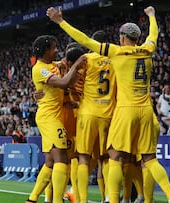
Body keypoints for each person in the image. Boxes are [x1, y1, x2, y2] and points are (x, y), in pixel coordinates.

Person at [47, 5, 170, 203]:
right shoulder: (148, 49)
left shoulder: (114, 52)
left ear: (122, 38)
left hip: (118, 112)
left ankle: (109, 199)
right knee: (149, 159)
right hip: (144, 111)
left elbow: (84, 40)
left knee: (108, 156)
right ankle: (169, 196)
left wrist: (60, 22)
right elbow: (154, 35)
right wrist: (152, 16)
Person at [25, 35, 86, 203]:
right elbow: (64, 82)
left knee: (50, 161)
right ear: (45, 51)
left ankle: (32, 198)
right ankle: (57, 200)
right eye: (53, 48)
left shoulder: (53, 65)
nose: (56, 50)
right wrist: (78, 65)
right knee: (62, 159)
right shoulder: (40, 69)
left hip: (54, 116)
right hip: (49, 117)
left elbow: (64, 63)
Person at [74, 30, 116, 203]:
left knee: (83, 157)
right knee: (105, 158)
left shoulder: (86, 59)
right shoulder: (115, 59)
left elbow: (75, 84)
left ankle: (82, 200)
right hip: (107, 114)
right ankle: (108, 197)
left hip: (87, 113)